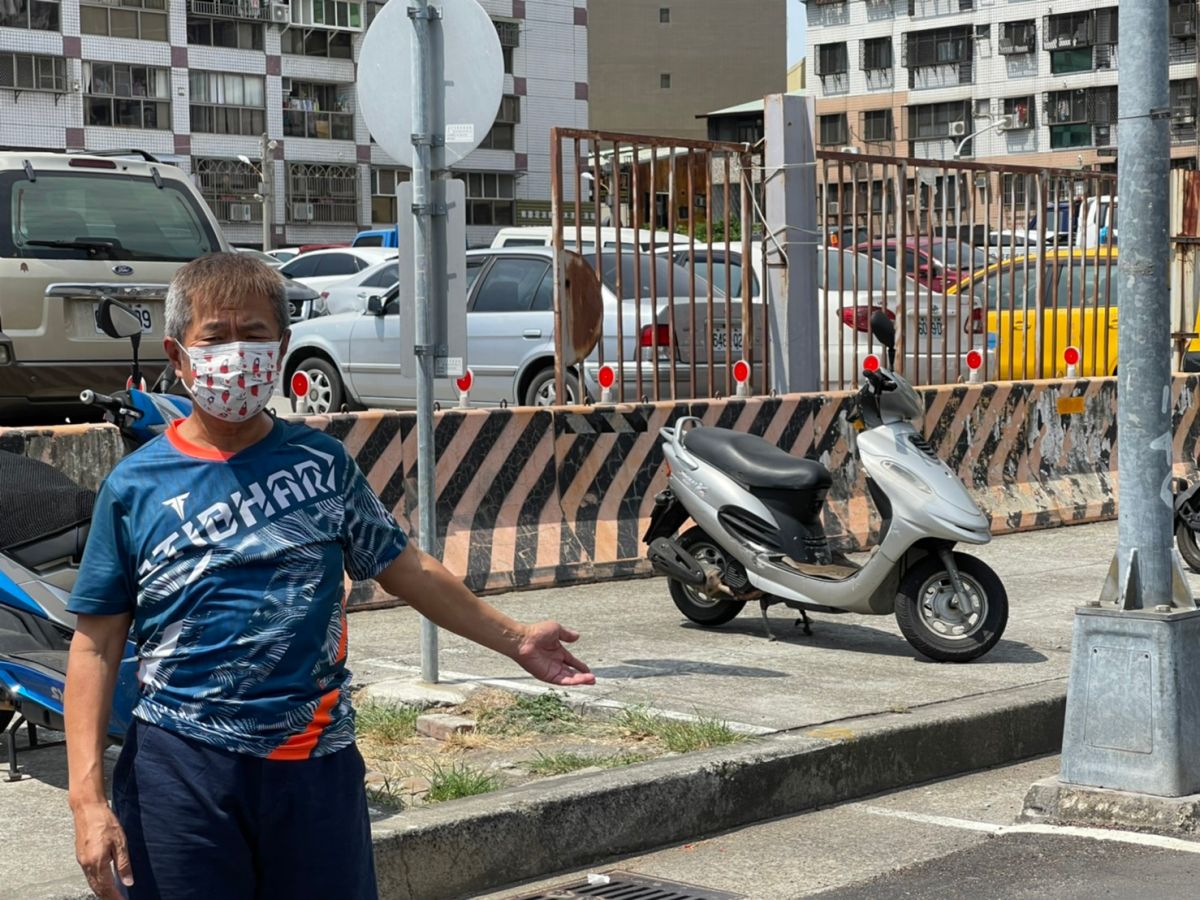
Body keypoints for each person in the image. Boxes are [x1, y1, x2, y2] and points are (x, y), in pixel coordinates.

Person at [64, 253, 595, 900]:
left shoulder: (321, 464)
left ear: (283, 347)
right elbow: (95, 645)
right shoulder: (134, 486)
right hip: (180, 776)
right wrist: (87, 801)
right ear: (178, 356)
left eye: (254, 336)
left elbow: (406, 568)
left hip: (314, 773)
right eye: (215, 338)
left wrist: (515, 639)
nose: (236, 354)